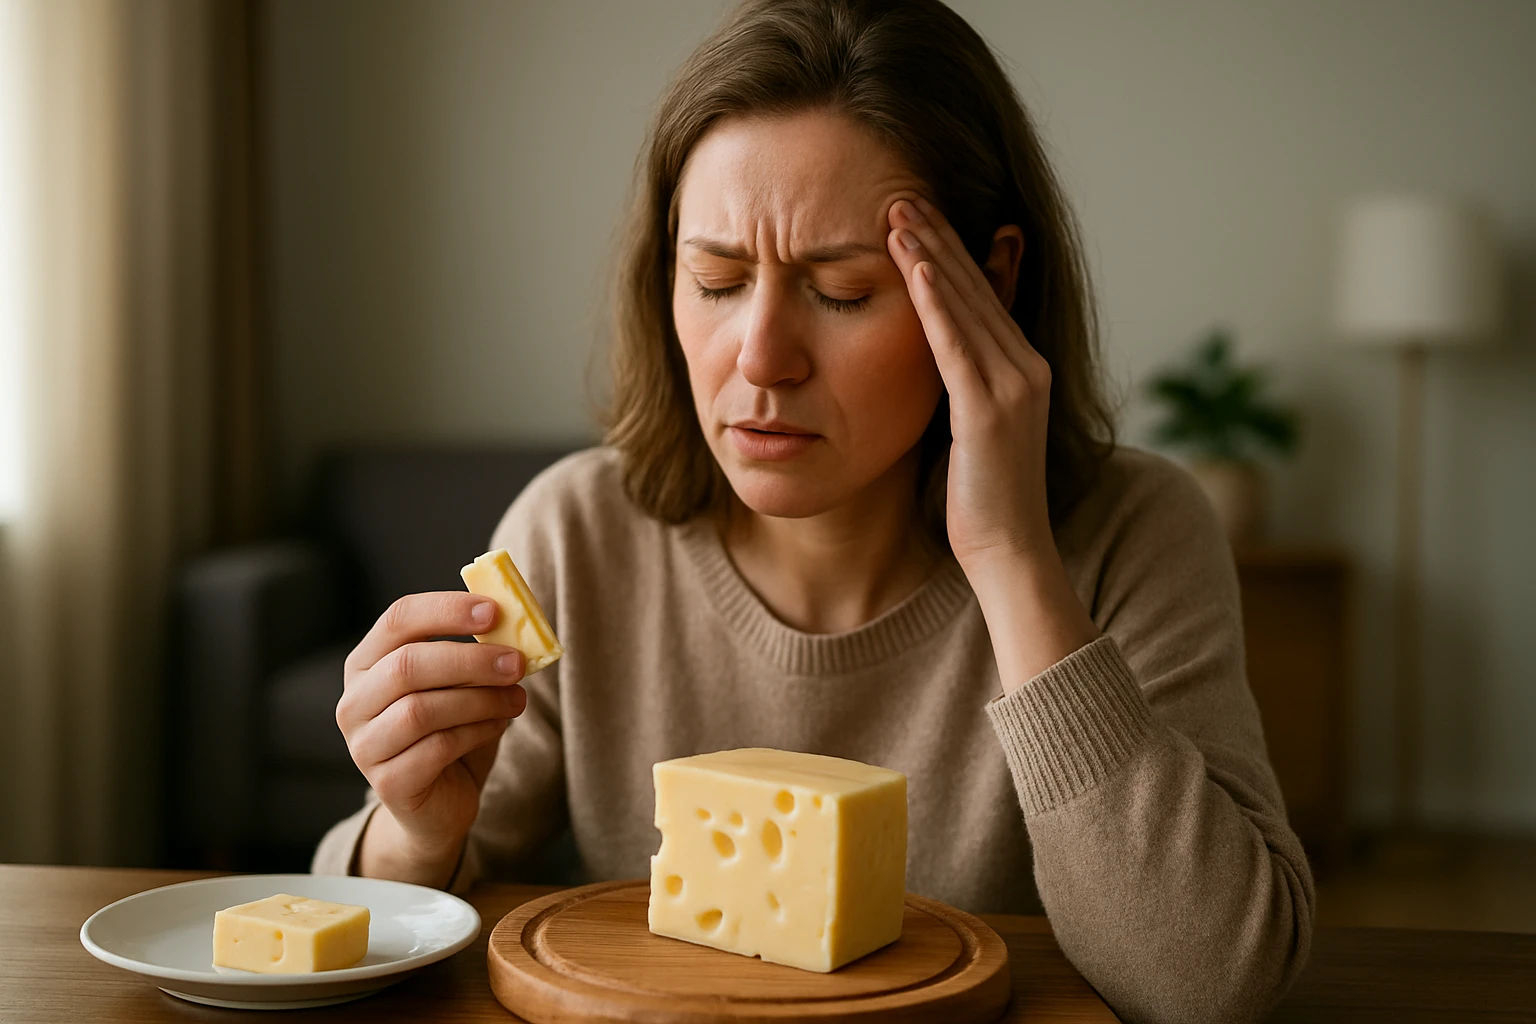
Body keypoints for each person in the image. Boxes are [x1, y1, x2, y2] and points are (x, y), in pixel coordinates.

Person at [314, 1, 1313, 1019]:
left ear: (992, 280)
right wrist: (414, 827)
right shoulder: (575, 535)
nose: (759, 358)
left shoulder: (1136, 535)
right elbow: (370, 917)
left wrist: (1013, 557)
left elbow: (1213, 984)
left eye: (840, 291)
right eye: (715, 278)